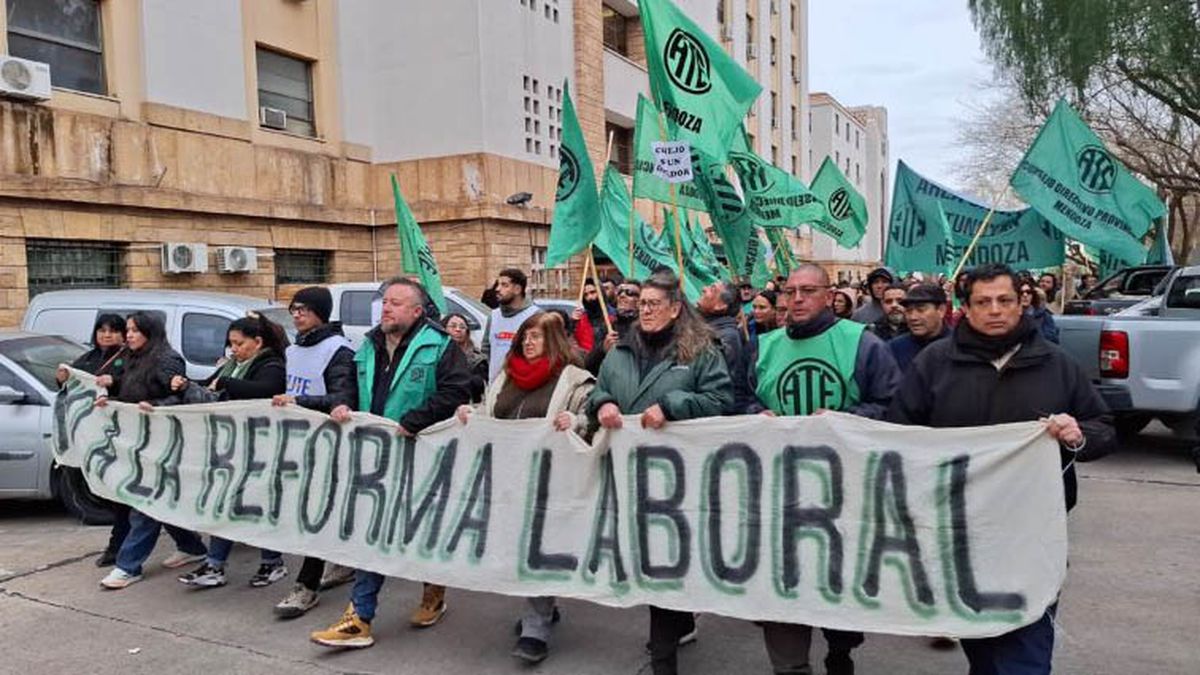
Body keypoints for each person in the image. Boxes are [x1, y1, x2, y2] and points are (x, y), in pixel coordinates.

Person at [888, 263, 1115, 674]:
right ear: (966, 308)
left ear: (1021, 303)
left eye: (1004, 300)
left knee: (1026, 651)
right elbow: (899, 435)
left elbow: (1104, 428)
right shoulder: (934, 364)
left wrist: (1078, 434)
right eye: (983, 302)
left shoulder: (1056, 364)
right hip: (959, 533)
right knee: (985, 649)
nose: (995, 310)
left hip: (1034, 533)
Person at [750, 264, 900, 675]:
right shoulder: (764, 347)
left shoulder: (863, 345)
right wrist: (753, 414)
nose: (797, 299)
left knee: (836, 584)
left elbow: (891, 405)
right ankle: (790, 666)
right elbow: (738, 399)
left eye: (808, 291)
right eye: (790, 291)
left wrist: (843, 420)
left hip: (841, 493)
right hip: (778, 492)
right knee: (781, 584)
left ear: (829, 294)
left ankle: (840, 648)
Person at [310, 277, 472, 649]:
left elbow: (457, 390)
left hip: (422, 456)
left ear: (416, 311)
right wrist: (342, 403)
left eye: (396, 303)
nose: (386, 308)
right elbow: (347, 382)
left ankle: (433, 588)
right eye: (385, 302)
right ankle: (359, 618)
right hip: (376, 457)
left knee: (421, 531)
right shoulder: (367, 346)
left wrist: (414, 421)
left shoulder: (440, 346)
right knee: (375, 533)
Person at [587, 270, 732, 675]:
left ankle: (663, 657)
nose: (643, 310)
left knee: (665, 560)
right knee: (645, 558)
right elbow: (597, 390)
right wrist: (602, 405)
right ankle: (678, 623)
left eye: (652, 304)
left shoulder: (701, 350)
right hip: (627, 477)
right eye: (640, 303)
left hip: (677, 481)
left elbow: (721, 400)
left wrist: (673, 405)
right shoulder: (619, 351)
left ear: (675, 310)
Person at [456, 312, 594, 664]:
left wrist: (576, 421)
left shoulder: (575, 381)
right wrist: (470, 413)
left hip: (551, 482)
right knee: (518, 549)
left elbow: (592, 421)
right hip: (507, 480)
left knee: (538, 549)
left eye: (536, 337)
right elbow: (491, 412)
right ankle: (544, 606)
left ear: (555, 341)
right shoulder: (507, 376)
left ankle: (536, 625)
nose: (528, 343)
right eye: (524, 337)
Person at [172, 315, 290, 589]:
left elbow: (265, 391)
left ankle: (271, 562)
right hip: (230, 447)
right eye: (231, 344)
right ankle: (215, 564)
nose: (234, 349)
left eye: (239, 343)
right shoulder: (231, 367)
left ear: (257, 342)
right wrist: (185, 384)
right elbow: (207, 386)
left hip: (259, 448)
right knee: (224, 506)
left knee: (256, 507)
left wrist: (227, 385)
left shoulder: (271, 365)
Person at [96, 312, 208, 590]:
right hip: (141, 442)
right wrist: (111, 390)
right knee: (162, 500)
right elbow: (131, 390)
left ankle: (128, 566)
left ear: (150, 332)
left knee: (146, 502)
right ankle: (191, 546)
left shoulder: (167, 359)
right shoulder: (132, 358)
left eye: (135, 330)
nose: (129, 335)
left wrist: (157, 406)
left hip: (166, 441)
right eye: (129, 330)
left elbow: (183, 396)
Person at [271, 286, 359, 618]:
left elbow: (342, 399)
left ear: (320, 312)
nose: (296, 314)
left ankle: (306, 586)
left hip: (329, 446)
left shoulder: (338, 351)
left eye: (304, 309)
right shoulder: (294, 351)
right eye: (293, 308)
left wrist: (299, 402)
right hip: (299, 444)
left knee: (316, 515)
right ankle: (345, 561)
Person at [57, 313, 128, 567]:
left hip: (122, 437)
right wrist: (62, 378)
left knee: (122, 496)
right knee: (105, 491)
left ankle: (117, 547)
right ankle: (188, 543)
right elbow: (70, 385)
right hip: (93, 439)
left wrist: (114, 382)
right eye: (102, 330)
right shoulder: (87, 358)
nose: (106, 335)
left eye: (113, 330)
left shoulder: (128, 358)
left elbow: (134, 385)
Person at [697, 280, 754, 414]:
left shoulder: (726, 338)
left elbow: (719, 387)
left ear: (721, 305)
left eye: (712, 289)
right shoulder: (704, 329)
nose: (704, 288)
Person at [484, 268, 542, 381]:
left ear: (517, 289)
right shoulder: (494, 315)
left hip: (523, 386)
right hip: (495, 386)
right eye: (498, 284)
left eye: (504, 285)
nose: (498, 289)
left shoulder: (535, 315)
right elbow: (486, 349)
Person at [888, 283, 951, 374]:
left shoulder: (960, 346)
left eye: (921, 310)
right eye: (909, 311)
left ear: (941, 310)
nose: (913, 317)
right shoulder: (894, 349)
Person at [584, 279, 641, 375]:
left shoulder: (645, 329)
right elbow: (589, 366)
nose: (622, 296)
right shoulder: (609, 326)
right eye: (620, 292)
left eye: (629, 293)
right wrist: (602, 349)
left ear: (640, 301)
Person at [442, 313, 487, 402]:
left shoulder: (477, 358)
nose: (458, 330)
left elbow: (481, 385)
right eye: (453, 326)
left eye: (462, 327)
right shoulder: (436, 355)